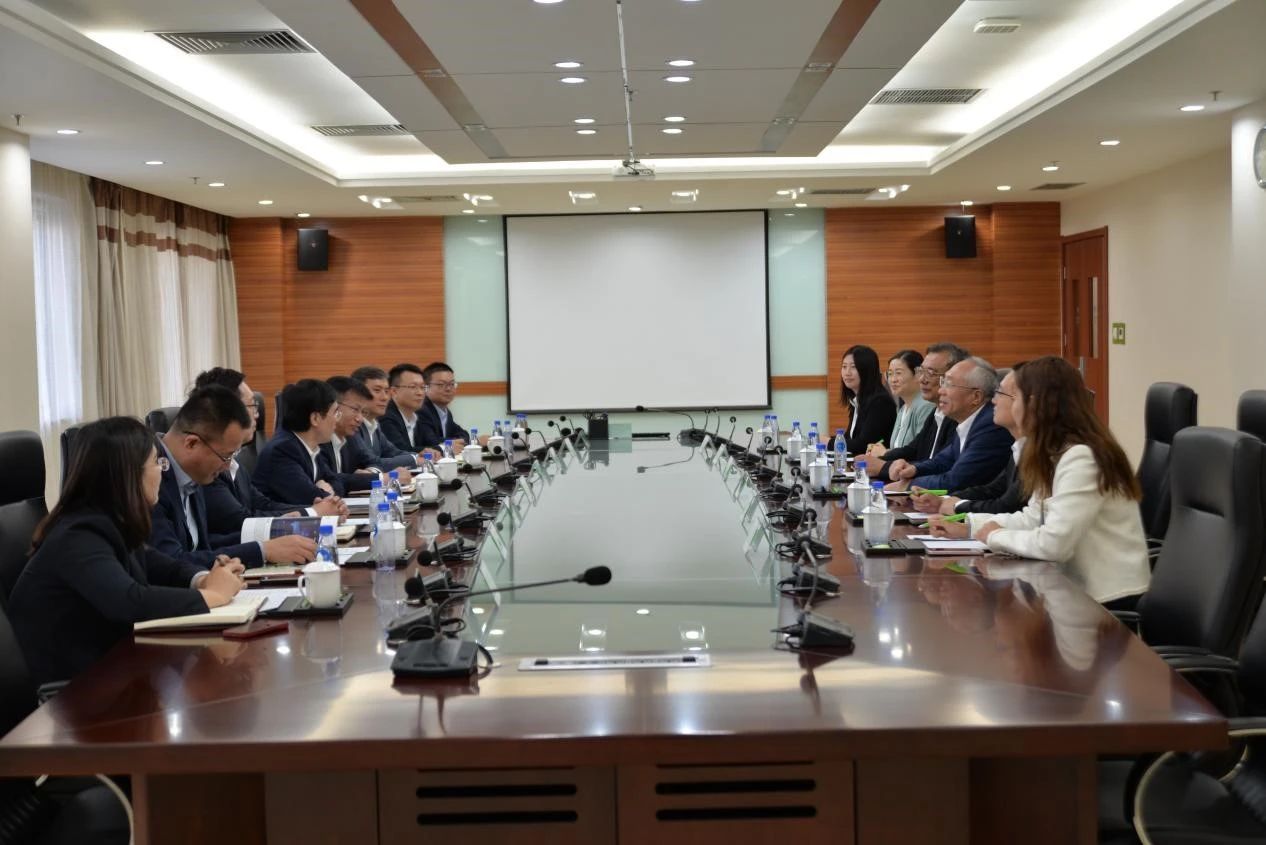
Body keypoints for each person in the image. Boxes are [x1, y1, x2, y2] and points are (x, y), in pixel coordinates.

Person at [9, 417, 245, 685]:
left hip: (109, 672)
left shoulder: (109, 523)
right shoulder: (79, 535)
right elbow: (130, 602)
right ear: (128, 474)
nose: (162, 471)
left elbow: (161, 565)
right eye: (157, 462)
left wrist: (202, 579)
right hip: (70, 690)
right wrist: (213, 595)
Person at [930, 356, 1150, 606]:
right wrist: (969, 526)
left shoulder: (1081, 457)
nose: (994, 401)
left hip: (1107, 599)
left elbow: (1055, 544)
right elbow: (1033, 518)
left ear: (1033, 404)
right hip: (1072, 591)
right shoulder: (1052, 452)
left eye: (1007, 395)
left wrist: (994, 536)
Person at [152, 385, 315, 568]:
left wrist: (272, 537)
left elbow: (204, 546)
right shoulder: (147, 477)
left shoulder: (191, 474)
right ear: (191, 444)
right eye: (226, 456)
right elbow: (170, 562)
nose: (227, 466)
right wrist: (262, 550)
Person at [194, 368, 344, 545]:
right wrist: (313, 513)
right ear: (226, 411)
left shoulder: (233, 463)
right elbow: (240, 521)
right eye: (252, 406)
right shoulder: (208, 466)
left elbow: (263, 504)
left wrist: (316, 509)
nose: (257, 414)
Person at [885, 356, 1013, 492]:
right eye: (943, 382)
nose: (941, 390)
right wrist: (914, 469)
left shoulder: (991, 426)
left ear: (976, 397)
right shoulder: (968, 421)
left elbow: (956, 481)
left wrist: (909, 485)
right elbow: (943, 461)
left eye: (949, 384)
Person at [912, 364, 1025, 516]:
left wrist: (955, 506)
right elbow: (994, 489)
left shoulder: (991, 427)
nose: (994, 401)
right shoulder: (1019, 445)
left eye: (1000, 393)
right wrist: (945, 501)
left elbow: (1006, 505)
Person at [865, 342, 968, 481]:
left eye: (930, 373)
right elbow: (913, 449)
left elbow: (941, 467)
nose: (922, 379)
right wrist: (879, 461)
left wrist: (884, 466)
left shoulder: (956, 417)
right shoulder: (935, 413)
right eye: (922, 371)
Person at [254, 379, 347, 506]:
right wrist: (323, 490)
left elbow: (337, 482)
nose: (337, 420)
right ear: (315, 418)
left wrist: (326, 489)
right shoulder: (282, 451)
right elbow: (313, 498)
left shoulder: (310, 446)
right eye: (335, 413)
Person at [321, 375, 412, 491]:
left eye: (363, 412)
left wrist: (370, 472)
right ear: (334, 406)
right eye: (355, 409)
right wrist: (382, 478)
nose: (360, 419)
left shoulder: (350, 437)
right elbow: (331, 480)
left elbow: (374, 462)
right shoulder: (319, 439)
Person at [350, 365, 427, 469]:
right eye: (377, 390)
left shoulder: (374, 424)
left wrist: (419, 456)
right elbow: (370, 462)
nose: (385, 397)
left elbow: (393, 452)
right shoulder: (352, 425)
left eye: (386, 391)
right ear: (357, 393)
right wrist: (414, 459)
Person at [836, 345, 896, 456]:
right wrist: (832, 441)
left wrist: (829, 442)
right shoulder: (857, 401)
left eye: (853, 367)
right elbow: (850, 438)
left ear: (867, 370)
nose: (847, 372)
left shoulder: (880, 402)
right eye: (844, 367)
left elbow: (863, 445)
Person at [886, 349, 935, 450]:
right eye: (890, 374)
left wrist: (885, 453)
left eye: (898, 373)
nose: (893, 380)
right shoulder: (902, 409)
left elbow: (920, 451)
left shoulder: (926, 406)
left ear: (918, 374)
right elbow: (897, 450)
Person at [417, 361, 472, 450]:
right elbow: (430, 441)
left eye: (452, 384)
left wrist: (458, 441)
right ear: (425, 387)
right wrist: (456, 442)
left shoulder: (445, 411)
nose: (448, 388)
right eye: (441, 384)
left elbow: (464, 434)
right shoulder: (421, 410)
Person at [380, 363, 431, 453]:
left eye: (423, 387)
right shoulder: (386, 417)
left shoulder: (418, 415)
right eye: (413, 387)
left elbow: (431, 442)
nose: (420, 393)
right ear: (394, 391)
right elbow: (400, 451)